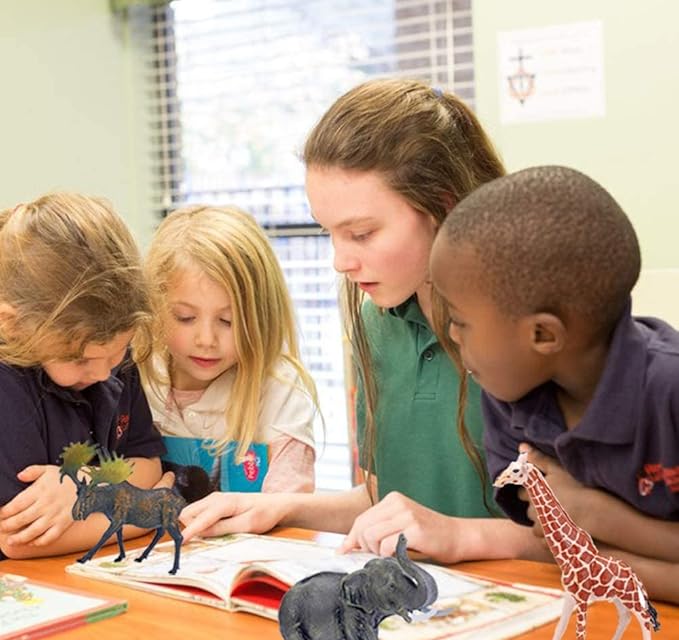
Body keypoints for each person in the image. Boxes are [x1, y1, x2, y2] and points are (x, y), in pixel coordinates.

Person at [181, 79, 546, 564]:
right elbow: (386, 498)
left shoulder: (539, 330)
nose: (341, 262)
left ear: (444, 207)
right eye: (329, 233)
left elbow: (606, 541)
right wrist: (278, 507)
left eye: (361, 233)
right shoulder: (378, 323)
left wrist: (462, 536)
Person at [430, 164, 679, 602]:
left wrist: (595, 515)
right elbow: (561, 553)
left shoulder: (669, 391)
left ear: (543, 335)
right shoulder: (510, 398)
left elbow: (582, 558)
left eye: (460, 321)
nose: (451, 334)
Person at [0, 193, 168, 559]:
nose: (104, 372)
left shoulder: (109, 346)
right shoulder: (7, 383)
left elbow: (148, 465)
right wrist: (153, 511)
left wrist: (84, 483)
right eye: (80, 359)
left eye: (118, 351)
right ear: (13, 325)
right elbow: (19, 540)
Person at [136, 205, 318, 503]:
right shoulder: (134, 378)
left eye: (228, 321)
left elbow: (288, 507)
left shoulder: (278, 389)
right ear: (155, 308)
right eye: (185, 317)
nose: (207, 340)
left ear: (261, 317)